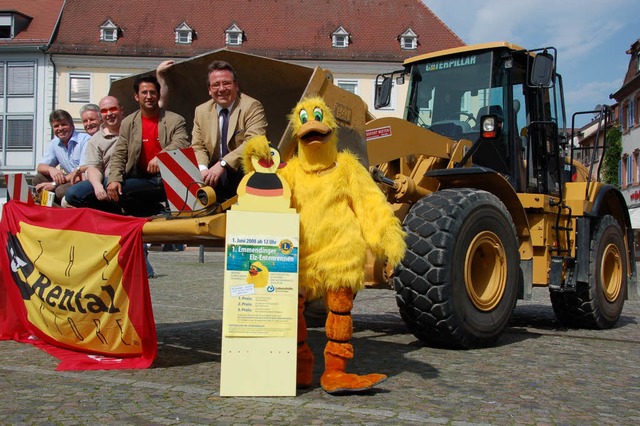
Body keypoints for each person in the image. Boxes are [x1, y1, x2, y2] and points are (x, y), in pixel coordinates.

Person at [161, 60, 267, 202]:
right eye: (216, 85)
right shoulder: (201, 111)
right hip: (212, 177)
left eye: (226, 83)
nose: (221, 89)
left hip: (244, 176)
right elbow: (198, 146)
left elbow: (253, 142)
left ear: (236, 86)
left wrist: (223, 164)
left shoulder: (252, 106)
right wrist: (203, 170)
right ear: (209, 90)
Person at [106, 75, 189, 217]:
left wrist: (160, 157)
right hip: (142, 179)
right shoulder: (128, 123)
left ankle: (167, 216)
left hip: (170, 178)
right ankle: (155, 213)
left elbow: (182, 142)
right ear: (136, 97)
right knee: (116, 189)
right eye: (144, 93)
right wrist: (113, 179)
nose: (149, 96)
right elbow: (119, 154)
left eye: (153, 92)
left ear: (158, 95)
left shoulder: (175, 120)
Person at [62, 96, 124, 213]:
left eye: (113, 109)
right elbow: (93, 167)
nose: (109, 114)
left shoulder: (132, 129)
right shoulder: (94, 140)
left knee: (66, 195)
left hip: (127, 179)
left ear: (121, 110)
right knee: (70, 195)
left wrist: (80, 169)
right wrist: (97, 186)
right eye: (105, 111)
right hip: (104, 180)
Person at [33, 109, 91, 204]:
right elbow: (40, 167)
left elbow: (81, 172)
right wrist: (51, 170)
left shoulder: (85, 140)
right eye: (56, 126)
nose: (60, 128)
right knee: (38, 178)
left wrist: (54, 184)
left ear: (72, 126)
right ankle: (47, 208)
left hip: (83, 179)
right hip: (68, 179)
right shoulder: (54, 143)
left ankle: (60, 212)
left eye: (63, 124)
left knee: (60, 191)